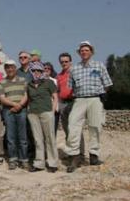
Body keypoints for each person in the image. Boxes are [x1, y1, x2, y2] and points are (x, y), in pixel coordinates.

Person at [65, 41, 113, 173]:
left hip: (95, 98)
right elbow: (71, 87)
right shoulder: (74, 69)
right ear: (79, 53)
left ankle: (94, 156)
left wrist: (102, 97)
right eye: (82, 50)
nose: (84, 52)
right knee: (73, 125)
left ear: (91, 52)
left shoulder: (99, 66)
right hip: (79, 99)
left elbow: (107, 83)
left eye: (86, 50)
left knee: (95, 126)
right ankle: (75, 157)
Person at [26, 62, 59, 173]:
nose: (36, 73)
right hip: (33, 114)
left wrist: (52, 111)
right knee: (37, 139)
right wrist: (29, 111)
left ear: (42, 72)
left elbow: (55, 97)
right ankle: (39, 163)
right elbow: (29, 99)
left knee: (50, 138)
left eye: (39, 70)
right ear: (31, 72)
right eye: (34, 70)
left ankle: (52, 163)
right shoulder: (29, 85)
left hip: (46, 112)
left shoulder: (48, 82)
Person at [0, 59, 29, 170]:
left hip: (21, 110)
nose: (10, 69)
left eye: (11, 67)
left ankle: (24, 159)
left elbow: (26, 95)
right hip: (8, 110)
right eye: (7, 67)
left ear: (15, 68)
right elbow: (2, 98)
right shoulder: (2, 82)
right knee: (10, 137)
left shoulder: (23, 80)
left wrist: (19, 105)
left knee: (22, 137)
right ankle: (13, 159)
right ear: (5, 69)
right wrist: (15, 105)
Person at [56, 52, 85, 155]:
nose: (64, 63)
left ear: (70, 62)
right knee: (67, 130)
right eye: (62, 62)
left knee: (76, 130)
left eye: (66, 61)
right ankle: (71, 153)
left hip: (74, 102)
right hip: (63, 104)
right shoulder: (59, 76)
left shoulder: (76, 73)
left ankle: (80, 154)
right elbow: (58, 90)